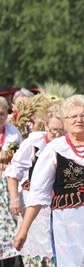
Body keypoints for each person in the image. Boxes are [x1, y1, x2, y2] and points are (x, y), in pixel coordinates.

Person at [13, 94, 84, 266]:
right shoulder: (55, 149)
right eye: (73, 116)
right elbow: (39, 193)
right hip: (69, 221)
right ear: (64, 121)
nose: (79, 120)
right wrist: (23, 230)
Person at [5, 103, 65, 266]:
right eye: (54, 130)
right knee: (37, 252)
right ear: (46, 125)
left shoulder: (66, 144)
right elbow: (13, 172)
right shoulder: (34, 143)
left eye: (61, 130)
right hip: (35, 205)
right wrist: (14, 198)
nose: (57, 134)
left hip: (59, 206)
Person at [0, 97, 23, 267]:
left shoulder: (14, 133)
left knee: (7, 233)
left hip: (7, 189)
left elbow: (19, 161)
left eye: (1, 113)